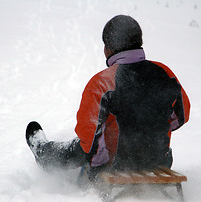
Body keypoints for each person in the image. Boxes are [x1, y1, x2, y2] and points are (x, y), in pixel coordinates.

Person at [26, 15, 190, 179]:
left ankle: (44, 153)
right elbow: (182, 116)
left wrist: (100, 166)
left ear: (108, 49)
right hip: (159, 160)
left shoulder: (103, 83)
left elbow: (88, 135)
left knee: (80, 145)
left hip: (115, 164)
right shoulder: (165, 73)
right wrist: (150, 129)